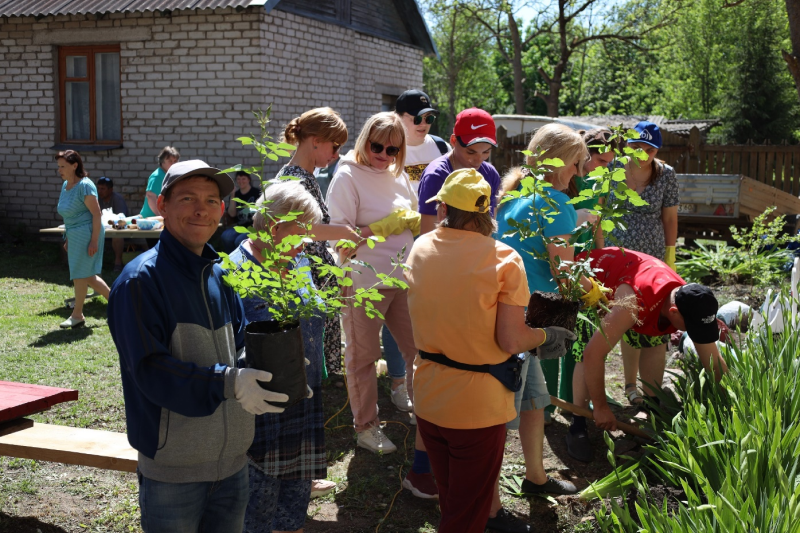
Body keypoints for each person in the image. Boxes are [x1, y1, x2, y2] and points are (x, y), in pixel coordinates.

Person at [108, 159, 289, 533]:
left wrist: (272, 369)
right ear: (162, 205)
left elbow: (238, 349)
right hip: (174, 473)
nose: (201, 209)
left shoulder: (219, 274)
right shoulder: (141, 281)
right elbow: (150, 371)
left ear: (222, 210)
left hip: (235, 464)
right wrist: (228, 382)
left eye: (210, 200)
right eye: (187, 198)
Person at [405, 168, 576, 533]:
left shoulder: (420, 247)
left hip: (429, 393)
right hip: (476, 405)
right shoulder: (503, 258)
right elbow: (512, 340)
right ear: (487, 213)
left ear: (444, 209)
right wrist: (548, 335)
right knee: (466, 516)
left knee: (452, 498)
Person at [494, 124, 591, 499]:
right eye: (577, 164)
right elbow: (564, 270)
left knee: (535, 401)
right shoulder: (556, 202)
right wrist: (596, 293)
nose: (579, 173)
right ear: (561, 162)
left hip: (508, 310)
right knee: (502, 411)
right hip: (526, 317)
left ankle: (535, 477)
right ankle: (485, 496)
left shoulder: (513, 195)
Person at [568, 247, 729, 462]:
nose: (694, 333)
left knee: (654, 340)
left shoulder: (690, 302)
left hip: (636, 286)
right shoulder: (633, 303)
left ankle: (651, 408)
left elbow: (712, 360)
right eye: (690, 327)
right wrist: (601, 407)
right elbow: (593, 356)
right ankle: (578, 423)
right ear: (673, 312)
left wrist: (730, 402)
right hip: (590, 282)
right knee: (588, 345)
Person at [229, 182, 326, 533]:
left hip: (303, 395)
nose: (305, 242)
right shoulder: (235, 270)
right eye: (300, 232)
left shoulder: (297, 259)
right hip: (261, 403)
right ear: (273, 225)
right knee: (257, 503)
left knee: (295, 499)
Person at [326, 112, 419, 456]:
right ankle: (366, 426)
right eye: (376, 146)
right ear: (365, 140)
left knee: (417, 351)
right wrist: (380, 228)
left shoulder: (399, 175)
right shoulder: (347, 175)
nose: (383, 154)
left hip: (403, 279)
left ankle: (422, 413)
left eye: (392, 149)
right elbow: (339, 239)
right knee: (363, 356)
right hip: (364, 281)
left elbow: (411, 215)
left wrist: (411, 225)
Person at [610, 121, 680, 407]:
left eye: (649, 149)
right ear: (628, 146)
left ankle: (650, 388)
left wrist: (670, 256)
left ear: (657, 150)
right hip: (619, 254)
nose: (643, 153)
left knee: (649, 317)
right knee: (626, 316)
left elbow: (670, 218)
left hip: (651, 257)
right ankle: (629, 386)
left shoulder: (666, 175)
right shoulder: (612, 169)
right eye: (637, 147)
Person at [417, 108, 502, 235]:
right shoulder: (436, 175)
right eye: (471, 152)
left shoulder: (491, 174)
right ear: (453, 141)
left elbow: (489, 229)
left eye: (486, 152)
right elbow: (428, 236)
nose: (479, 160)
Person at [55, 150, 111, 329]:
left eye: (63, 166)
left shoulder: (85, 186)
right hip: (74, 234)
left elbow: (96, 214)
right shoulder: (66, 186)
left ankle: (78, 314)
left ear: (74, 165)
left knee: (84, 275)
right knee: (84, 276)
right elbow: (69, 216)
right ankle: (81, 313)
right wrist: (69, 238)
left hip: (88, 233)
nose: (60, 170)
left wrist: (94, 240)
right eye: (58, 166)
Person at [220, 171, 261, 253]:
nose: (241, 181)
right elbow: (232, 214)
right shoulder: (236, 194)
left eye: (243, 179)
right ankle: (230, 258)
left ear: (248, 179)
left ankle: (242, 259)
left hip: (253, 227)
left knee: (238, 240)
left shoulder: (257, 193)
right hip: (240, 226)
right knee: (225, 236)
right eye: (238, 179)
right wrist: (232, 195)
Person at [96, 176, 129, 272]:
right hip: (102, 229)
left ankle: (118, 262)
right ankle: (93, 263)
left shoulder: (117, 199)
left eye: (103, 189)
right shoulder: (96, 199)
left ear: (111, 190)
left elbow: (121, 220)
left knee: (117, 235)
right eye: (98, 188)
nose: (100, 191)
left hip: (118, 229)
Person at [140, 146, 180, 218]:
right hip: (151, 221)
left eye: (175, 161)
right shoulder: (157, 176)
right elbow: (150, 196)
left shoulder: (169, 175)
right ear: (162, 162)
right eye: (170, 161)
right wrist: (161, 216)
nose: (173, 164)